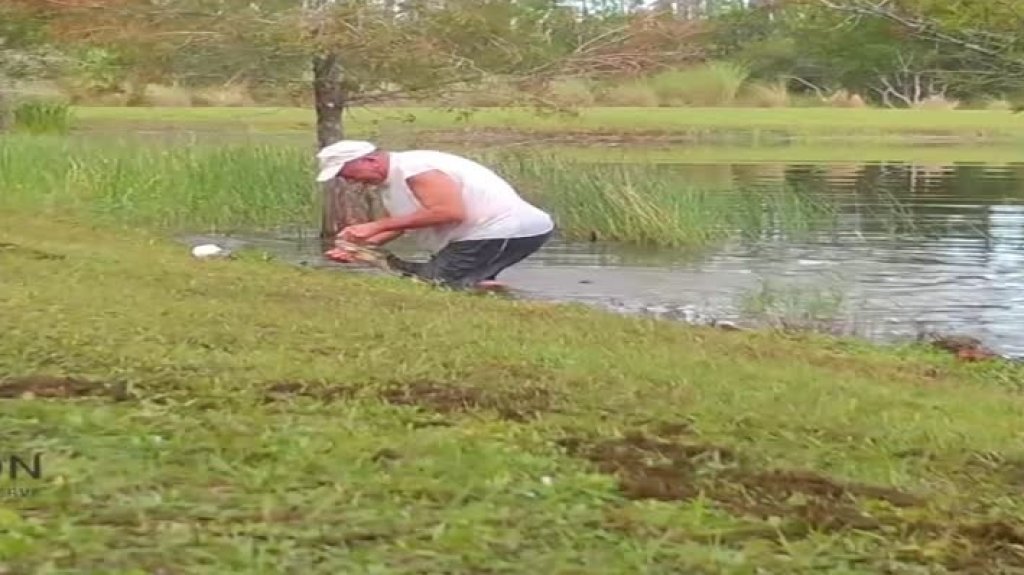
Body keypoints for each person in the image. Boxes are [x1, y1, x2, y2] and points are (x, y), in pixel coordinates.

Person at [316, 140, 554, 290]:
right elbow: (402, 224)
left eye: (346, 173)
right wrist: (358, 247)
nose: (348, 180)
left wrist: (375, 226)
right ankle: (493, 297)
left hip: (502, 229)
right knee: (462, 282)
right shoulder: (390, 181)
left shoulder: (415, 168)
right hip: (487, 233)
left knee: (433, 285)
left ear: (370, 160)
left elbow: (450, 212)